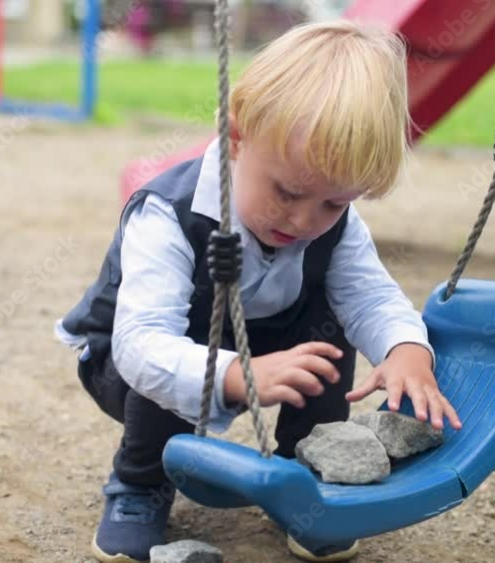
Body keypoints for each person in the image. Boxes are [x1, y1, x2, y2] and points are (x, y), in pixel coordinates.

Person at [55, 19, 463, 563]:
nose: (303, 219)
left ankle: (307, 476)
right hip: (126, 367)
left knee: (331, 321)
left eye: (333, 203)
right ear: (236, 139)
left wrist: (406, 348)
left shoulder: (333, 224)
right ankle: (139, 485)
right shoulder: (170, 214)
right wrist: (234, 374)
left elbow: (371, 296)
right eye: (288, 192)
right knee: (176, 341)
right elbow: (139, 344)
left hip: (262, 346)